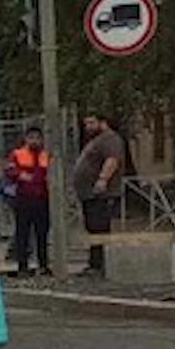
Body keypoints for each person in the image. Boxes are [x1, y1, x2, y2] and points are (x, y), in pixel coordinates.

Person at [73, 113, 126, 274]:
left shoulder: (109, 139)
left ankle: (100, 265)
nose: (87, 126)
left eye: (91, 122)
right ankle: (95, 263)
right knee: (93, 228)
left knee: (99, 228)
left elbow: (112, 160)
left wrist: (102, 180)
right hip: (90, 194)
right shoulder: (96, 140)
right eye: (86, 123)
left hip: (101, 194)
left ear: (103, 122)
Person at [4, 127, 52, 277]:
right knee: (22, 233)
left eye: (37, 138)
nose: (34, 141)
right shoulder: (18, 154)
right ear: (26, 139)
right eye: (31, 138)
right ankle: (22, 266)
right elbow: (9, 170)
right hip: (23, 198)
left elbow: (52, 172)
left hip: (42, 198)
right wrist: (20, 175)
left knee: (42, 233)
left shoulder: (45, 155)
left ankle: (43, 265)